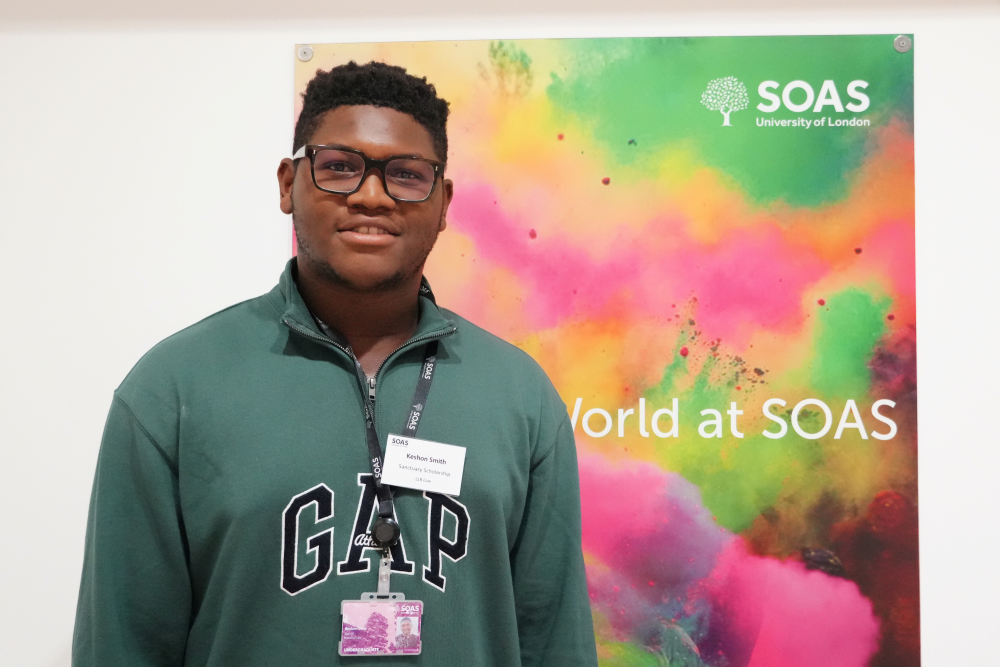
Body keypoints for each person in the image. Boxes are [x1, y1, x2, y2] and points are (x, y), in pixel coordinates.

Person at [72, 60, 597, 666]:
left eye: (405, 175)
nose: (372, 196)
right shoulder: (172, 390)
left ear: (444, 201)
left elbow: (555, 640)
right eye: (340, 168)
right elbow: (122, 642)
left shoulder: (520, 396)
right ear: (287, 183)